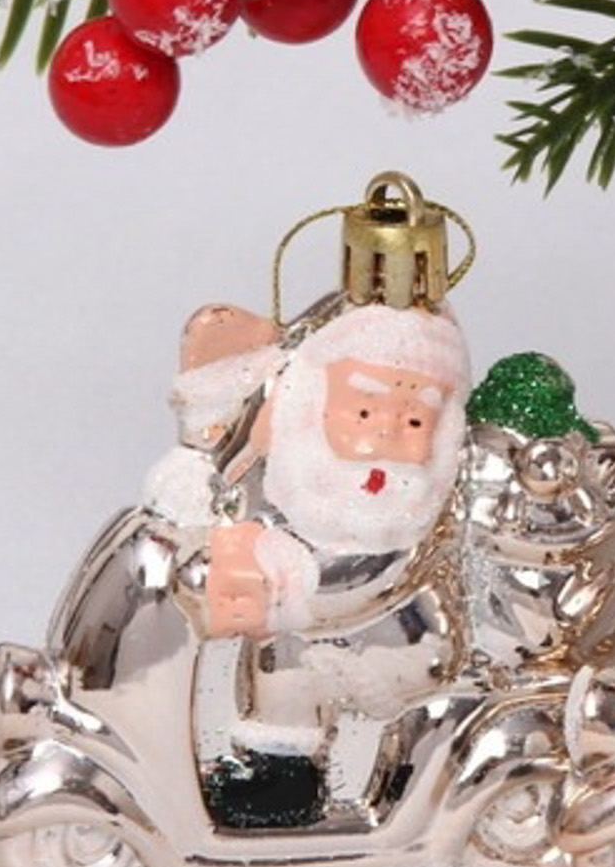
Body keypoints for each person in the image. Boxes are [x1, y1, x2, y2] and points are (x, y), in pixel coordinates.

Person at [159, 299, 473, 823]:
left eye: (416, 419)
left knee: (295, 677)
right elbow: (218, 476)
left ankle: (335, 784)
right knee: (278, 675)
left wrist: (278, 578)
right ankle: (277, 775)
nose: (386, 434)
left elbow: (387, 584)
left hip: (398, 642)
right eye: (364, 413)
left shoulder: (422, 516)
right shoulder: (293, 482)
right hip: (307, 626)